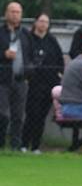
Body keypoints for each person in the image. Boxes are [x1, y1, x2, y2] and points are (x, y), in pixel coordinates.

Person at [22, 13, 63, 153]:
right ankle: (23, 144)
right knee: (32, 114)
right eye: (41, 21)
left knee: (41, 116)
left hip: (49, 84)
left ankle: (35, 146)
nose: (44, 24)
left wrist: (59, 74)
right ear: (35, 22)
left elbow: (59, 61)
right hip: (33, 83)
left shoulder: (52, 40)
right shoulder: (28, 39)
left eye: (46, 22)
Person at [0, 1, 32, 151]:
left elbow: (31, 55)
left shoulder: (26, 34)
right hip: (3, 80)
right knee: (3, 114)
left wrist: (29, 72)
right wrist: (3, 54)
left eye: (18, 12)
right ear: (6, 14)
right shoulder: (1, 32)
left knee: (19, 116)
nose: (15, 14)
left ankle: (15, 146)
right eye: (12, 11)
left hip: (20, 80)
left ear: (21, 15)